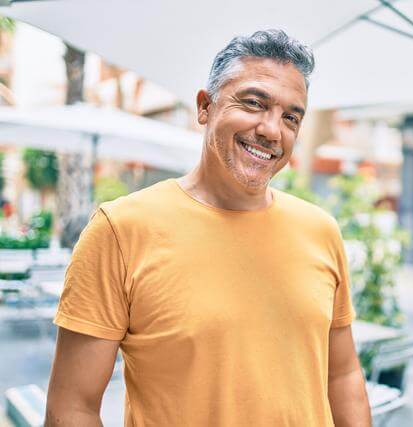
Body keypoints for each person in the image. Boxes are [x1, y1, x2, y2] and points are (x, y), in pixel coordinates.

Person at [45, 29, 371, 426]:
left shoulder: (321, 230)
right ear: (205, 106)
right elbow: (72, 408)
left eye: (291, 117)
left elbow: (342, 374)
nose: (272, 129)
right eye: (254, 103)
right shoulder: (121, 230)